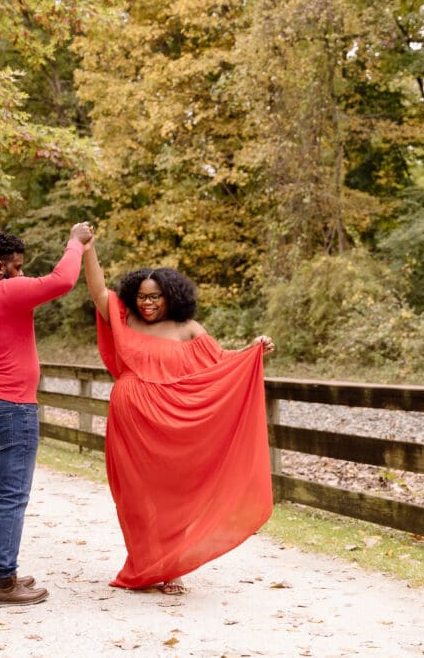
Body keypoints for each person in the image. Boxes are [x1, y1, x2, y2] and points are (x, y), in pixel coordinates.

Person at [82, 236, 275, 595]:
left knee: (174, 492)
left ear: (171, 295)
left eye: (155, 296)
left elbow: (222, 363)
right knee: (137, 496)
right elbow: (97, 291)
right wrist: (88, 247)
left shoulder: (189, 329)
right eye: (142, 295)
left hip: (173, 424)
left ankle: (172, 566)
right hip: (131, 422)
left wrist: (255, 350)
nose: (148, 302)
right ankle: (146, 562)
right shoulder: (125, 320)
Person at [0, 223, 93, 607]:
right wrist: (74, 242)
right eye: (18, 265)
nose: (23, 273)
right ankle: (4, 584)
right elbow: (63, 280)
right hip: (11, 405)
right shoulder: (8, 291)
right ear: (0, 267)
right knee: (11, 496)